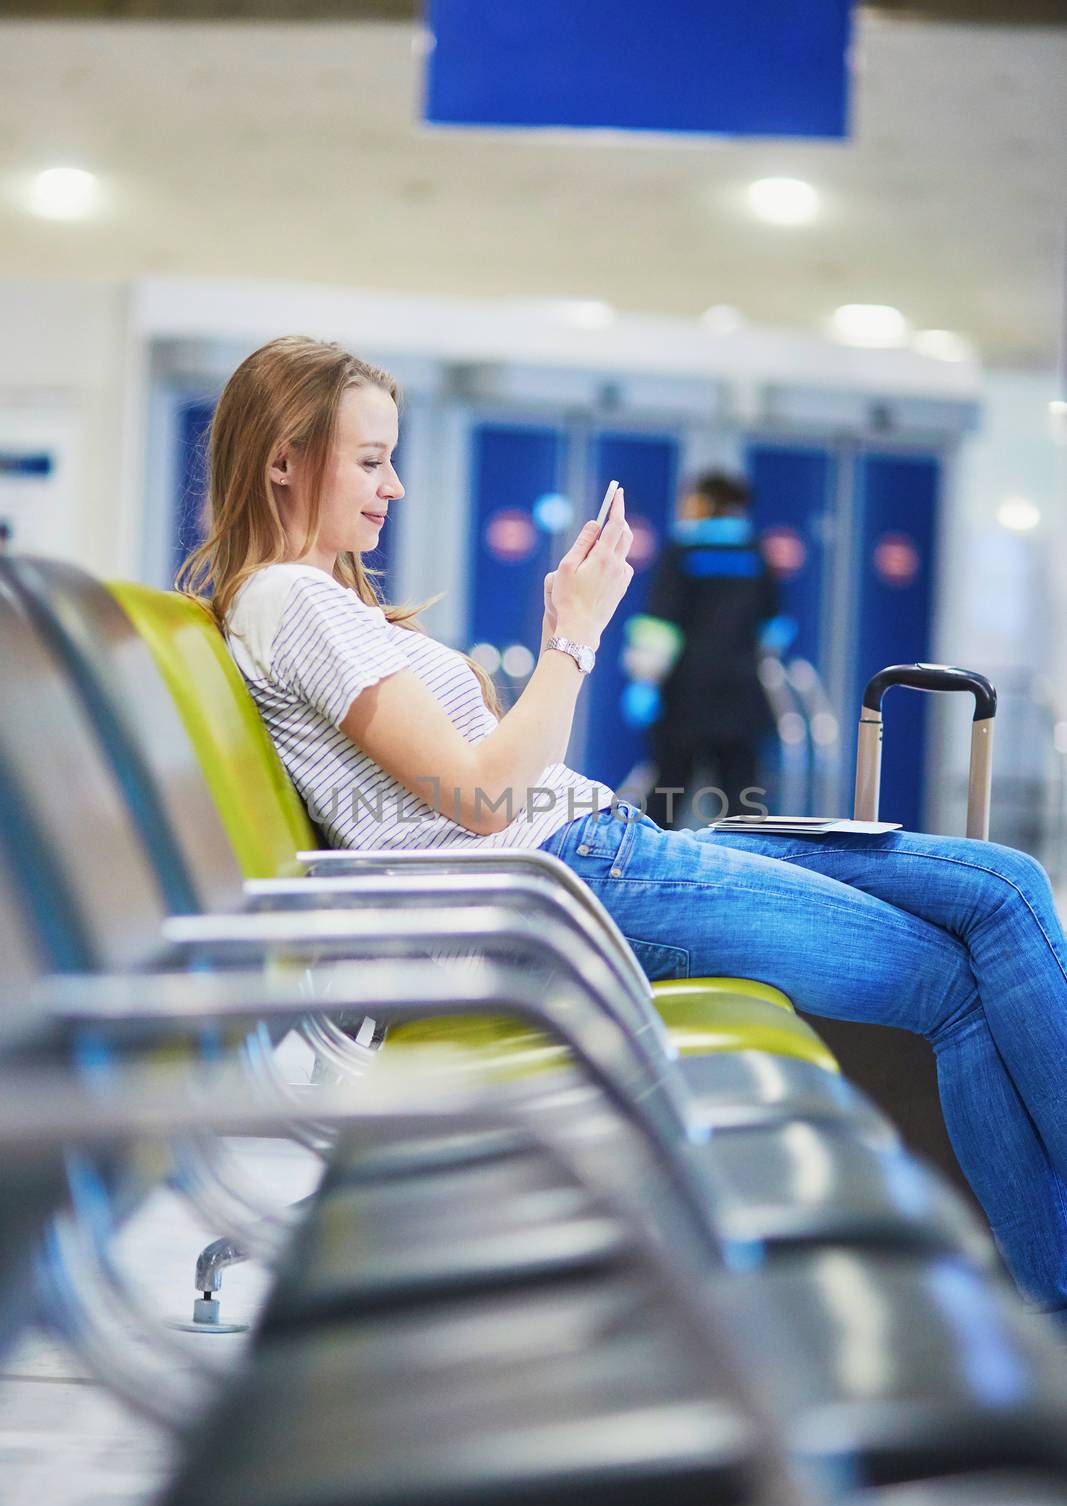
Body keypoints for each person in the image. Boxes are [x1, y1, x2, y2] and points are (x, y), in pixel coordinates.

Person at [181, 335, 1067, 1327]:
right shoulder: (292, 600)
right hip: (577, 885)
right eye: (371, 459)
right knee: (959, 970)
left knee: (1001, 888)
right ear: (283, 459)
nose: (395, 487)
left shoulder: (314, 600)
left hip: (603, 857)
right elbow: (477, 797)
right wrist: (571, 633)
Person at [623, 471, 787, 828]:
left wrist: (644, 682)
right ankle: (748, 875)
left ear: (706, 502)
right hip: (741, 696)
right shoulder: (755, 553)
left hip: (685, 696)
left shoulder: (684, 551)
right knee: (743, 804)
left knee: (667, 795)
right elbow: (774, 629)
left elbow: (659, 627)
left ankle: (651, 872)